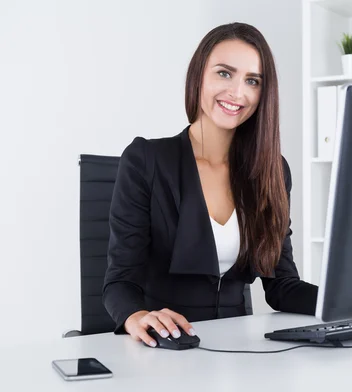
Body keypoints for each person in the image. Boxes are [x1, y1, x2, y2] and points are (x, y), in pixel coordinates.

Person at [102, 22, 318, 348]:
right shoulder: (146, 160)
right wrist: (137, 316)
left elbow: (282, 286)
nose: (237, 92)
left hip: (241, 349)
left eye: (252, 81)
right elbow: (120, 281)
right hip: (165, 345)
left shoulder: (271, 171)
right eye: (224, 73)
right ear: (199, 75)